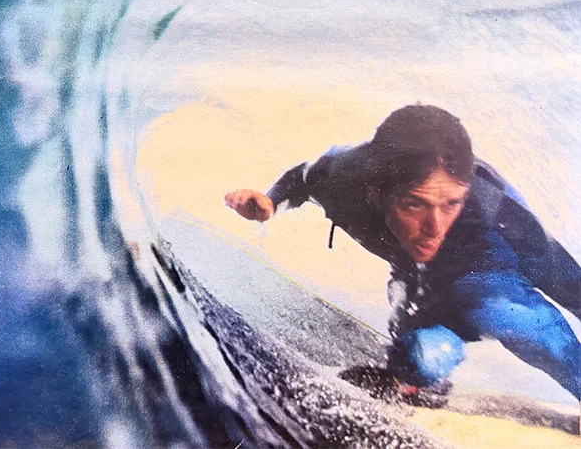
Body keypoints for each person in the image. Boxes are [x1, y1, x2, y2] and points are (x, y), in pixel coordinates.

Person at [224, 104, 581, 408]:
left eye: (450, 204)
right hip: (414, 271)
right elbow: (300, 179)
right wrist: (270, 203)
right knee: (420, 359)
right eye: (415, 204)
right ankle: (417, 372)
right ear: (375, 192)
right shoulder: (341, 176)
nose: (434, 226)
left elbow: (559, 273)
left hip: (484, 266)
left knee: (519, 322)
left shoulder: (490, 212)